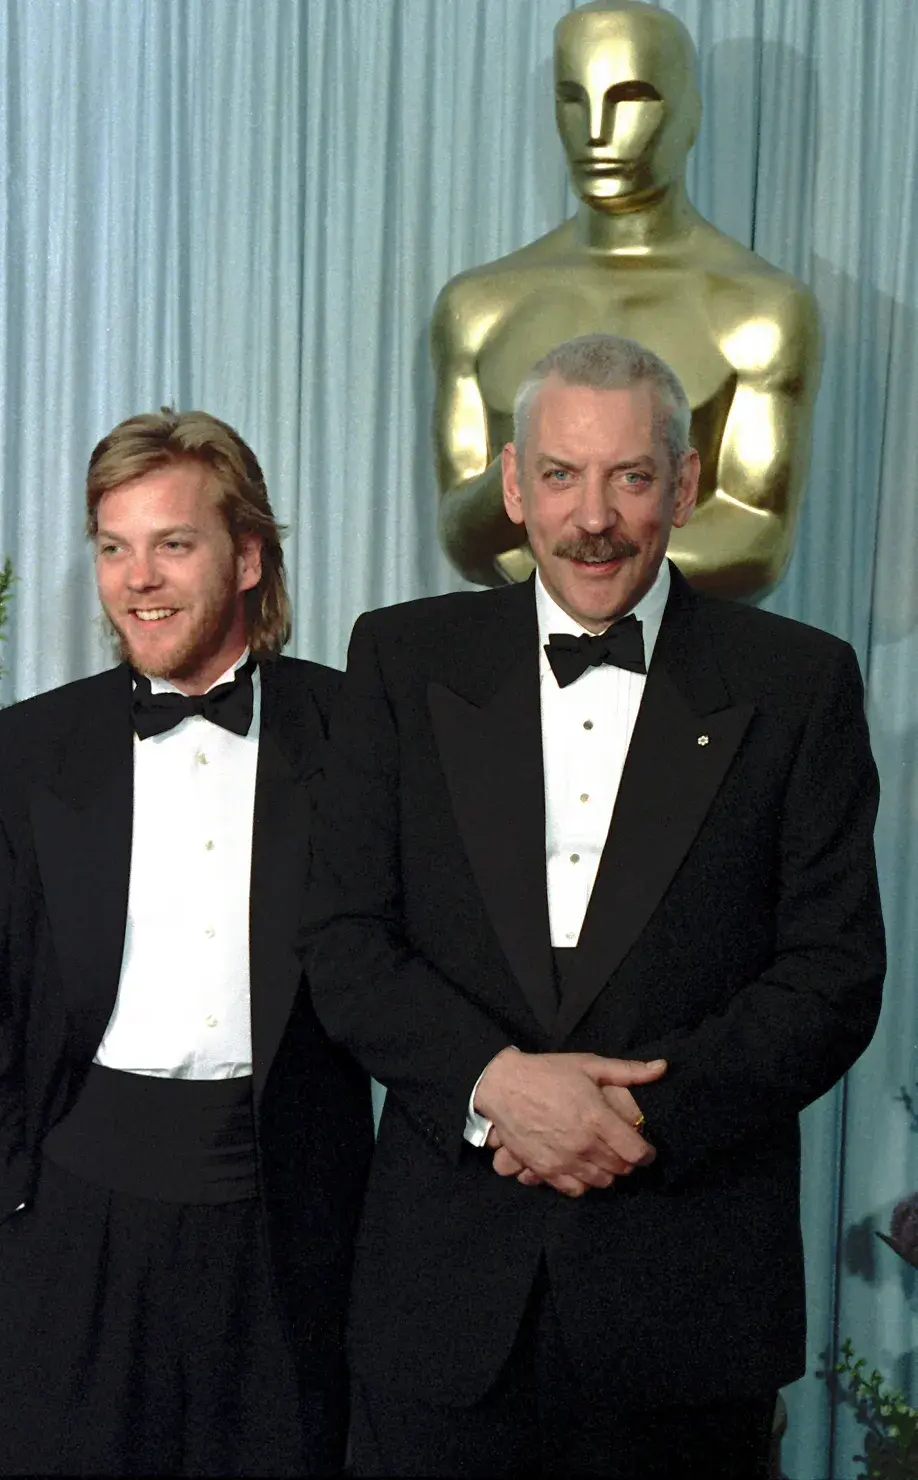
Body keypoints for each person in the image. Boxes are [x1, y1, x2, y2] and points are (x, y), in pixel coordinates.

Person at [300, 334, 884, 1479]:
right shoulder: (400, 658)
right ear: (514, 487)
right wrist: (499, 1087)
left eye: (628, 476)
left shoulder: (799, 680)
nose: (594, 518)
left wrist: (628, 1124)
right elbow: (345, 941)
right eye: (561, 476)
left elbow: (832, 976)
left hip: (688, 1299)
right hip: (442, 1304)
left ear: (685, 481)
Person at [0, 410, 373, 1476]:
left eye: (173, 543)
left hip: (290, 1235)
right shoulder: (9, 759)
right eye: (114, 547)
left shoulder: (360, 734)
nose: (139, 579)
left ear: (249, 555)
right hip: (70, 1228)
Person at [431, 0, 821, 599]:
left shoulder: (763, 310)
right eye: (572, 98)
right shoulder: (478, 305)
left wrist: (556, 550)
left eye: (631, 98)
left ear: (690, 113)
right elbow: (458, 525)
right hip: (509, 665)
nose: (595, 131)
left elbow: (758, 535)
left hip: (698, 667)